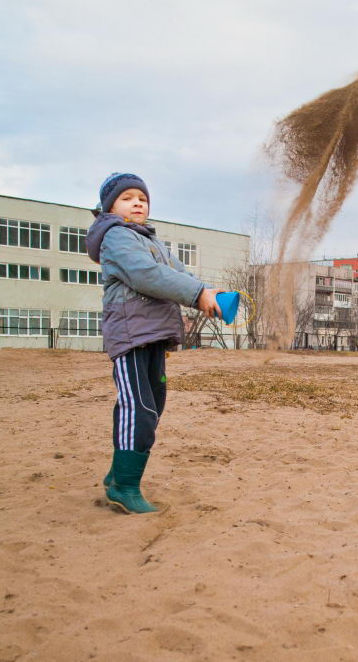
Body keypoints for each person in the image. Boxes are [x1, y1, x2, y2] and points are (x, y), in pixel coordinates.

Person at [86, 172, 223, 514]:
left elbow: (178, 274)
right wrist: (195, 294)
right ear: (110, 207)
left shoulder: (152, 241)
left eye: (142, 199)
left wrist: (209, 292)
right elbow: (146, 275)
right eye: (127, 198)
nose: (137, 203)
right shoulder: (115, 238)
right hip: (131, 335)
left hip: (154, 336)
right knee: (139, 408)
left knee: (153, 404)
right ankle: (125, 486)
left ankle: (120, 468)